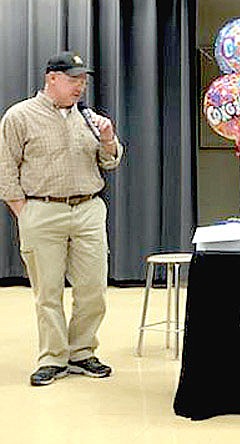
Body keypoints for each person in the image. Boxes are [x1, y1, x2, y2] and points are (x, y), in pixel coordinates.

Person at [0, 51, 123, 386]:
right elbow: (6, 168)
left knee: (93, 288)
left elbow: (109, 162)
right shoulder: (19, 116)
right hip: (41, 210)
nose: (80, 86)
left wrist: (109, 137)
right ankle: (53, 358)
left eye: (83, 80)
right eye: (73, 79)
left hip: (88, 209)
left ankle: (82, 351)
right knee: (48, 291)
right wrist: (24, 212)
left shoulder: (88, 118)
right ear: (51, 78)